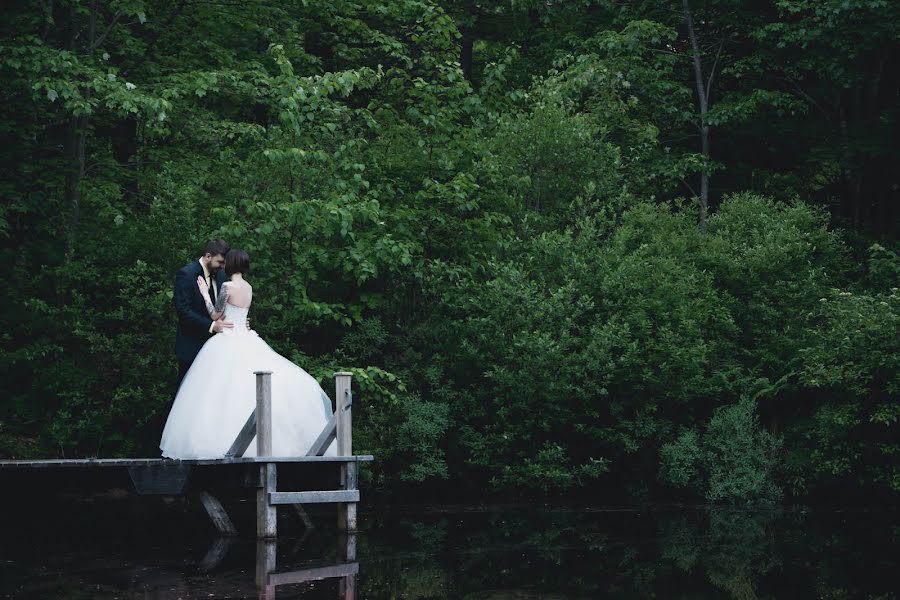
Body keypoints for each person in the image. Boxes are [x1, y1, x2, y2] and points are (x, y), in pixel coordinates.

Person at [160, 248, 335, 458]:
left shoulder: (227, 286)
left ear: (231, 264)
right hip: (246, 335)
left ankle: (220, 440)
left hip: (228, 338)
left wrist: (206, 295)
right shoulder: (249, 287)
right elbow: (240, 313)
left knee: (221, 390)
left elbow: (216, 313)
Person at [173, 239, 232, 387]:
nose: (223, 266)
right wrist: (212, 325)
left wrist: (236, 320)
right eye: (220, 262)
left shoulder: (221, 275)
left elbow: (221, 308)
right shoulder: (186, 274)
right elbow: (183, 311)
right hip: (192, 346)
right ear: (208, 256)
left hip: (217, 348)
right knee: (188, 391)